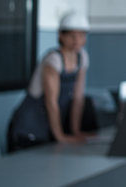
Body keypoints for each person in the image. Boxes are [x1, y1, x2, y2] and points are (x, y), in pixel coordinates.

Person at [8, 12, 96, 152]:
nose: (77, 40)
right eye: (72, 36)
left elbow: (78, 98)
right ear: (61, 35)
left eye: (81, 35)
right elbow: (51, 102)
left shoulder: (82, 58)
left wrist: (75, 131)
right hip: (28, 128)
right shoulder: (53, 60)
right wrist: (60, 136)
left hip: (49, 128)